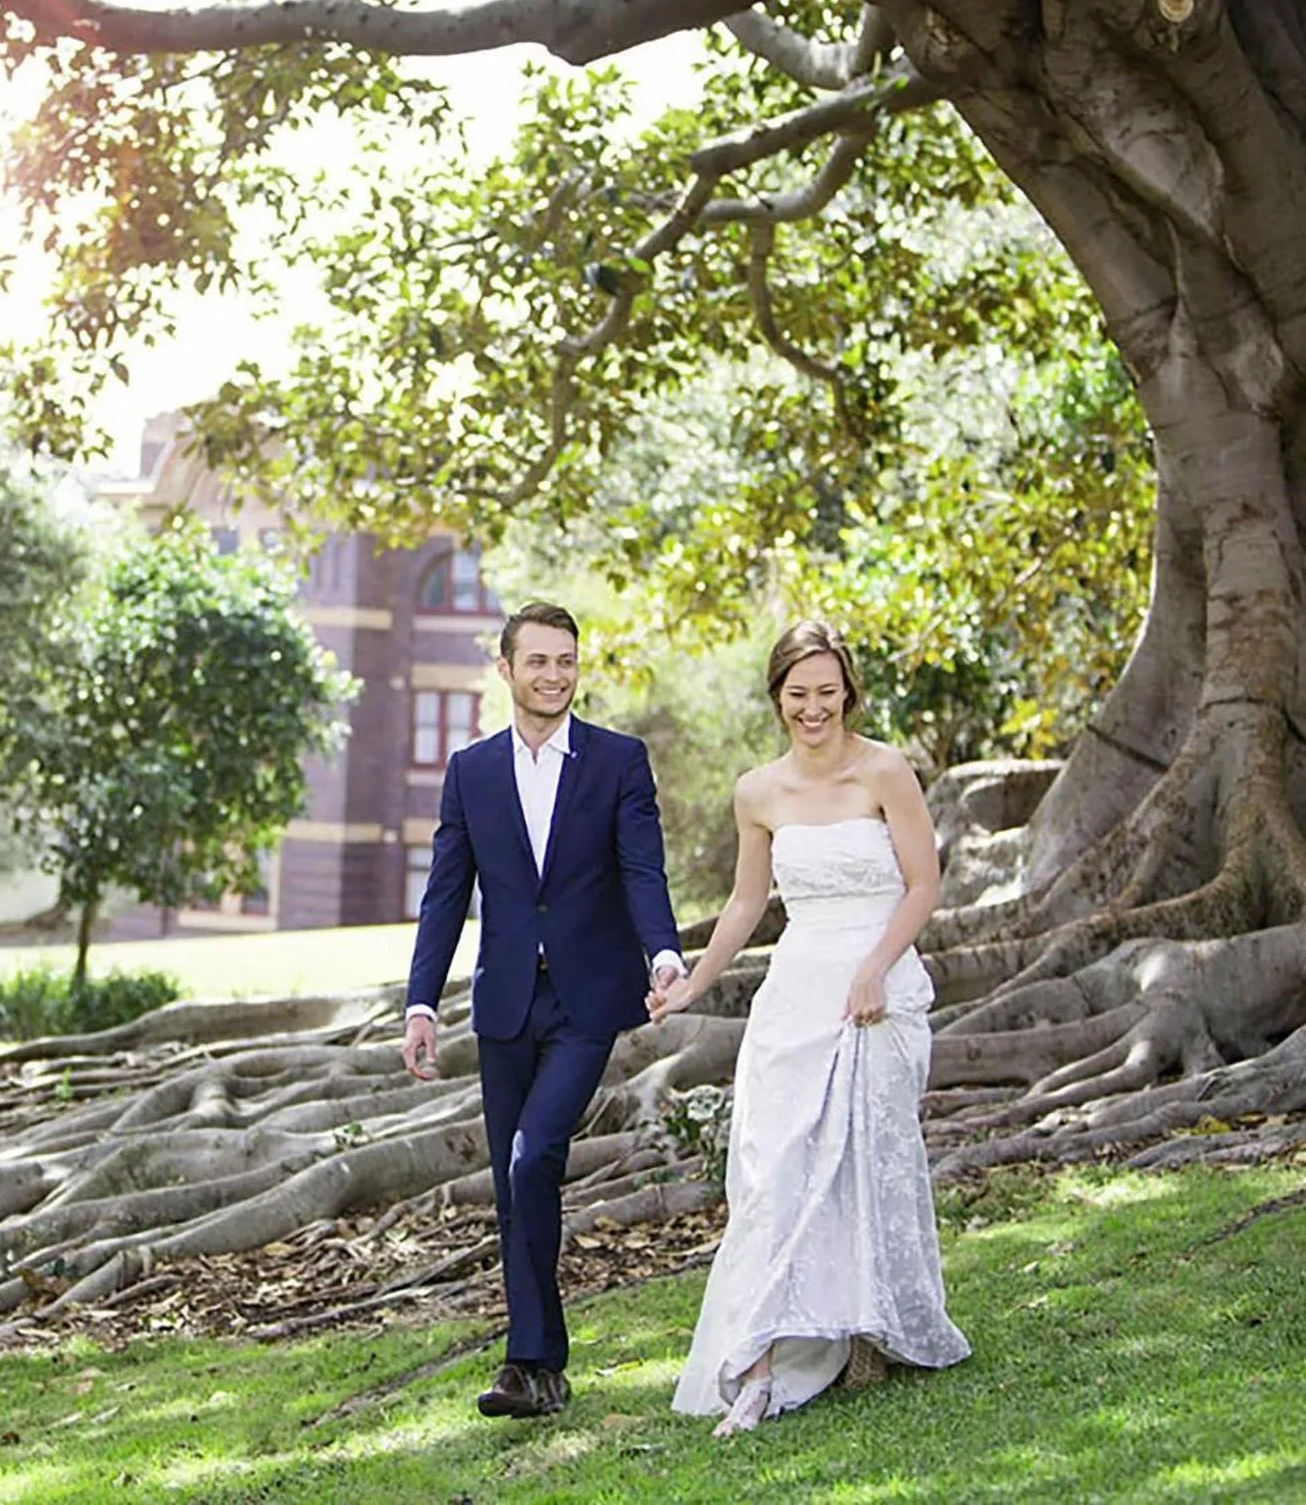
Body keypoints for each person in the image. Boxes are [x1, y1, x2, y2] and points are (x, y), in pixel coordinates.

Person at [647, 619, 970, 1437]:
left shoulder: (885, 770)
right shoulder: (758, 791)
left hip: (877, 981)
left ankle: (872, 1331)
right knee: (772, 1170)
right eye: (799, 694)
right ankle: (755, 1364)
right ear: (778, 698)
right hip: (796, 992)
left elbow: (923, 884)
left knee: (869, 1158)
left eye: (828, 692)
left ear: (848, 693)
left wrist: (875, 969)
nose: (814, 708)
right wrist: (692, 983)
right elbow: (749, 904)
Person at [403, 601, 685, 1420]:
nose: (555, 675)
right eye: (538, 661)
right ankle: (537, 1371)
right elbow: (446, 895)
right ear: (506, 670)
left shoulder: (618, 761)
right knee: (516, 1184)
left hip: (589, 998)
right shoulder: (472, 771)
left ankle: (531, 1358)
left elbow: (642, 870)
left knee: (533, 1159)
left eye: (566, 660)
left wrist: (663, 953)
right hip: (503, 1005)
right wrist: (421, 1002)